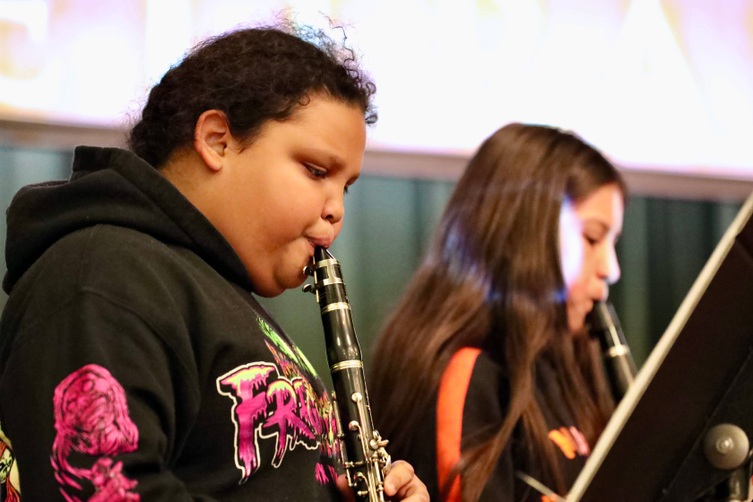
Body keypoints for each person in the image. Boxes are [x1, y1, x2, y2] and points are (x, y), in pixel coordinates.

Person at [0, 20, 428, 501]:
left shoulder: (216, 290)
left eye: (344, 186)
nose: (336, 208)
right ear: (217, 140)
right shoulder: (105, 274)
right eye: (315, 171)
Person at [369, 123, 627, 501]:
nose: (611, 268)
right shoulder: (471, 374)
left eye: (612, 242)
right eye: (591, 238)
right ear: (525, 233)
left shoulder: (570, 367)